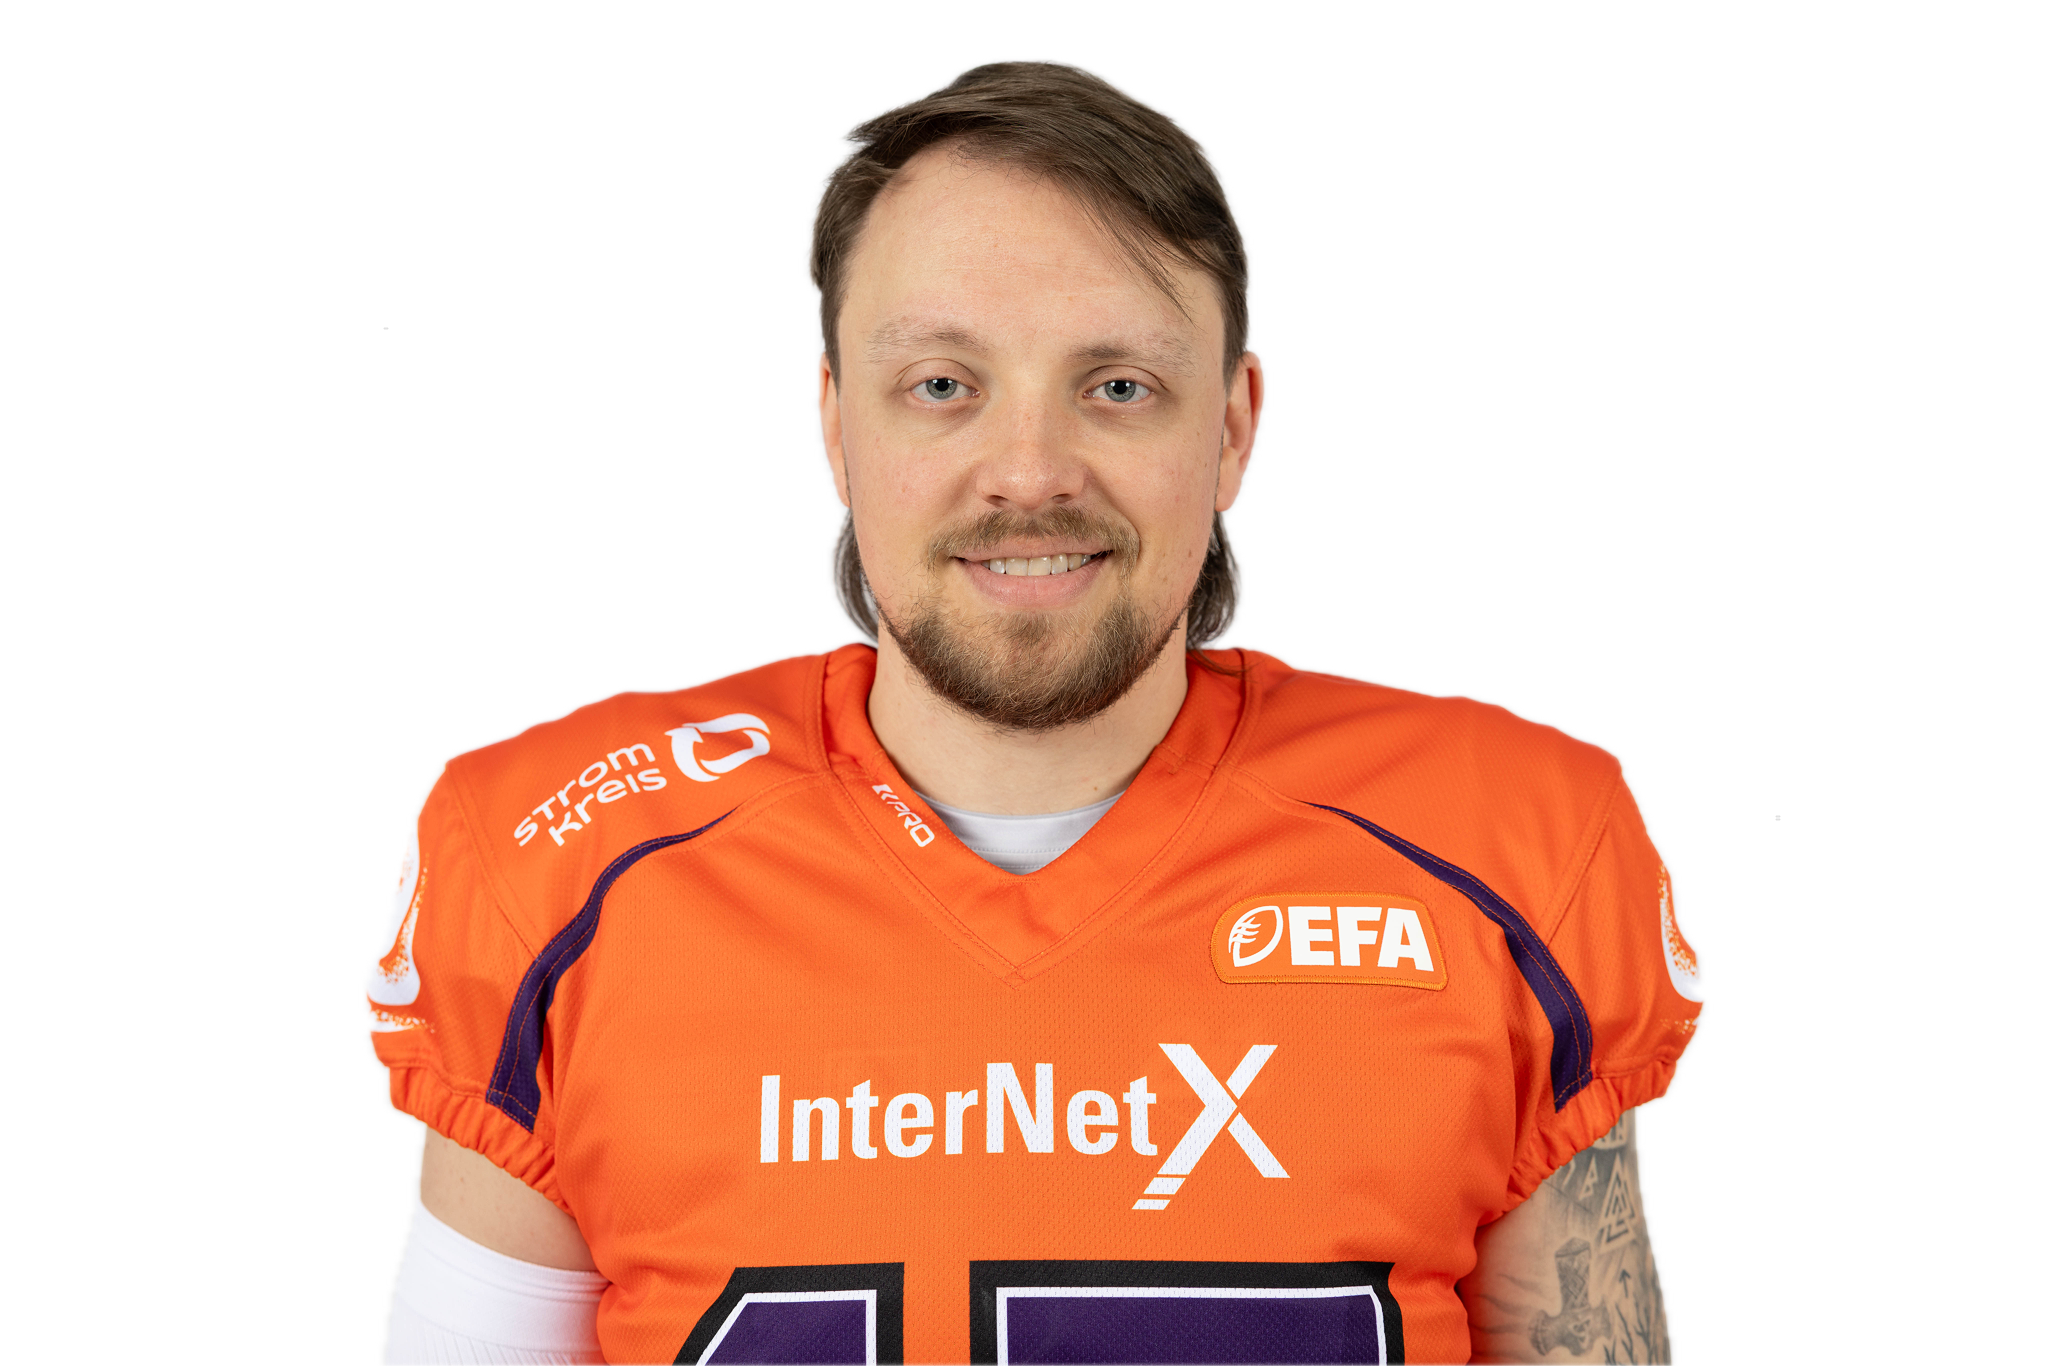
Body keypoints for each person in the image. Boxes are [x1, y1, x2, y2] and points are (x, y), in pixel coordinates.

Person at [369, 62, 1703, 1365]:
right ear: (837, 425)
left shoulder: (1509, 851)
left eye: (1118, 386)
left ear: (1232, 427)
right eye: (942, 385)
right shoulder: (566, 866)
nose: (1029, 472)